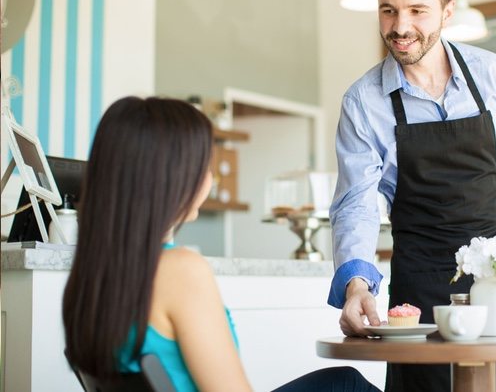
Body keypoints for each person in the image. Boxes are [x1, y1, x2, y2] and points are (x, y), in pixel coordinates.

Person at [328, 0, 496, 391]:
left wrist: (480, 233)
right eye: (388, 11)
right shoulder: (364, 102)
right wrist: (356, 284)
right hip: (418, 284)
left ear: (447, 12)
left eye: (417, 11)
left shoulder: (493, 75)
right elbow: (357, 205)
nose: (400, 27)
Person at [62, 96, 379, 392]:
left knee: (343, 381)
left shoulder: (92, 274)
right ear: (171, 178)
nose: (210, 178)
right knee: (348, 384)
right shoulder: (180, 271)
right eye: (204, 166)